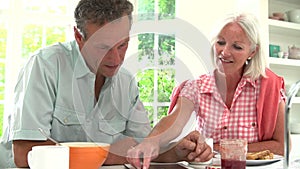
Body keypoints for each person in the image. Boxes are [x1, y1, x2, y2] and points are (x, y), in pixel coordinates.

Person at [0, 0, 213, 168]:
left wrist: (177, 151)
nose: (116, 59)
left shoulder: (126, 81)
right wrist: (109, 154)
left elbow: (139, 149)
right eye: (103, 47)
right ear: (78, 36)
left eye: (123, 45)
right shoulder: (45, 65)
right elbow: (24, 152)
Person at [127, 12, 288, 169]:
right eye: (221, 42)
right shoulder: (197, 86)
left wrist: (215, 148)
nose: (224, 52)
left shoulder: (269, 87)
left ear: (252, 52)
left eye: (237, 47)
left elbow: (281, 147)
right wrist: (151, 141)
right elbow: (173, 121)